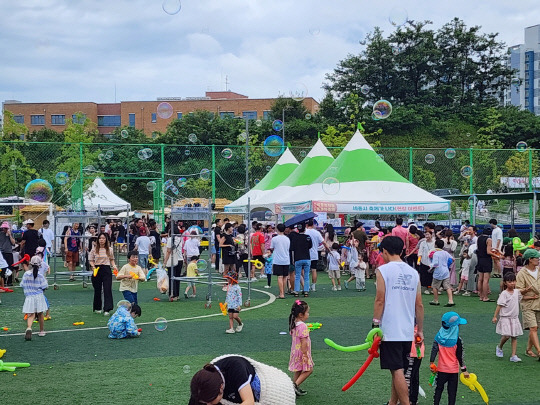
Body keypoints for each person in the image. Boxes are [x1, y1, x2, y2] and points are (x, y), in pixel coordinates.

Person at [373, 236, 424, 405]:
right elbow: (419, 305)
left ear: (385, 252)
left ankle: (405, 403)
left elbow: (380, 300)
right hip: (407, 329)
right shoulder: (413, 272)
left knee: (397, 370)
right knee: (398, 369)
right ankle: (392, 402)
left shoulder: (383, 270)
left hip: (389, 329)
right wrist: (420, 330)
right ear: (402, 250)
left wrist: (375, 324)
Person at [430, 312, 470, 405]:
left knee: (438, 390)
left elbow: (434, 350)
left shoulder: (438, 337)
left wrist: (431, 363)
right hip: (453, 371)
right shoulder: (457, 340)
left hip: (441, 369)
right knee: (452, 393)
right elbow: (460, 356)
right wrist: (464, 370)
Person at [493, 272, 529, 362]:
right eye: (509, 282)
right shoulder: (504, 294)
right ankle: (500, 347)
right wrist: (495, 316)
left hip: (514, 318)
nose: (512, 283)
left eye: (513, 281)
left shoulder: (517, 292)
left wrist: (529, 293)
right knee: (507, 335)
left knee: (514, 336)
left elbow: (522, 294)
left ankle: (513, 355)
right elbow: (499, 305)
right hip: (505, 317)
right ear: (505, 283)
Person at [515, 248, 540, 358]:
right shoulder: (522, 273)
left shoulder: (539, 270)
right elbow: (518, 290)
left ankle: (529, 349)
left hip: (538, 303)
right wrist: (526, 291)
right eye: (536, 258)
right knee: (533, 327)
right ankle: (539, 351)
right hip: (528, 304)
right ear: (530, 259)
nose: (538, 260)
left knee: (535, 328)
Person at [89, 232, 118, 315]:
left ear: (106, 240)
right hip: (97, 269)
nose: (101, 240)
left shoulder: (110, 249)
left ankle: (107, 309)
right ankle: (97, 307)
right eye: (100, 238)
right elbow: (91, 260)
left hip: (106, 269)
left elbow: (111, 259)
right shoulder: (94, 249)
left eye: (103, 238)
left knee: (107, 289)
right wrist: (93, 267)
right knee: (97, 289)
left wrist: (114, 266)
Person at [288, 300, 313, 397]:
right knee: (309, 370)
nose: (308, 314)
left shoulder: (294, 323)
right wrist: (306, 355)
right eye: (307, 312)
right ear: (301, 315)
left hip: (295, 351)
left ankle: (293, 387)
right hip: (302, 352)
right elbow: (303, 342)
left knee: (298, 369)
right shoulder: (302, 326)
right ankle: (295, 385)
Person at [21, 256, 49, 340]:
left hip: (29, 296)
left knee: (31, 314)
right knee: (40, 314)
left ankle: (29, 327)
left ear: (30, 264)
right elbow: (45, 286)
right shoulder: (40, 275)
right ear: (40, 265)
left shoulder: (26, 274)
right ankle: (41, 331)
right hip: (39, 296)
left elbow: (22, 285)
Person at [429, 239, 455, 307]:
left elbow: (435, 264)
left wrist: (430, 269)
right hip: (445, 271)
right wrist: (447, 264)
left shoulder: (436, 254)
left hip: (438, 271)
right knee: (447, 286)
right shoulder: (445, 252)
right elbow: (452, 259)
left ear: (436, 245)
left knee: (435, 286)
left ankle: (436, 300)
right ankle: (450, 300)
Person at [290, 223, 312, 298]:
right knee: (306, 276)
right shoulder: (307, 237)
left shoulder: (295, 238)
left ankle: (296, 291)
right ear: (305, 229)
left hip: (297, 258)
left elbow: (292, 249)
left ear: (298, 229)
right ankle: (306, 291)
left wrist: (293, 260)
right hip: (306, 258)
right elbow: (310, 246)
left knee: (297, 276)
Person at [404, 325, 424, 405]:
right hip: (418, 351)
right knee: (414, 376)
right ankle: (413, 400)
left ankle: (406, 400)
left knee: (408, 376)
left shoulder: (409, 325)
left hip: (412, 352)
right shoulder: (417, 325)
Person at [163, 226, 184, 302]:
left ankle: (172, 294)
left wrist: (165, 262)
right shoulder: (180, 239)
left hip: (173, 260)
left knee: (171, 278)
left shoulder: (170, 240)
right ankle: (177, 294)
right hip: (180, 259)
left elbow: (168, 251)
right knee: (177, 278)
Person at [270, 223, 290, 299]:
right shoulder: (287, 239)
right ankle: (283, 292)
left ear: (277, 229)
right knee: (285, 277)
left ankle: (281, 293)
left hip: (278, 260)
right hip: (286, 260)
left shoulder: (274, 239)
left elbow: (271, 248)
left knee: (279, 277)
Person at [476, 228, 494, 302]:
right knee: (486, 279)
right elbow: (488, 251)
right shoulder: (489, 240)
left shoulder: (479, 238)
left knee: (480, 279)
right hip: (486, 259)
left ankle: (480, 295)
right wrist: (497, 255)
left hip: (480, 259)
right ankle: (485, 297)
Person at [305, 219, 323, 292]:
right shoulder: (317, 233)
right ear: (313, 224)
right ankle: (314, 286)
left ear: (306, 225)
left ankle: (306, 285)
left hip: (306, 254)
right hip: (314, 254)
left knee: (305, 271)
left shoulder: (304, 232)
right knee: (314, 270)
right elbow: (323, 242)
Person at [0, 222, 15, 287]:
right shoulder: (0, 234)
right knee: (3, 268)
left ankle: (9, 281)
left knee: (10, 267)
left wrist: (10, 235)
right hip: (2, 252)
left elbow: (13, 243)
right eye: (4, 228)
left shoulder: (11, 233)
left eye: (6, 228)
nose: (5, 229)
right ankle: (3, 281)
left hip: (8, 252)